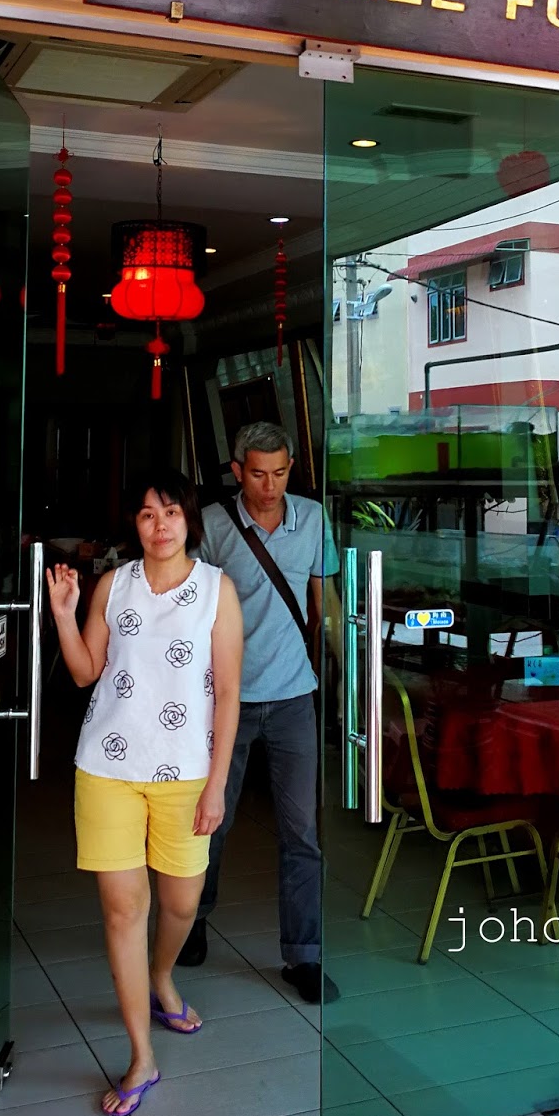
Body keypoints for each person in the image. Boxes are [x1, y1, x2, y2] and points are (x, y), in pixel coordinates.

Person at [47, 471, 243, 1116]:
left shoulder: (217, 592)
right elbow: (84, 672)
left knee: (180, 904)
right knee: (122, 912)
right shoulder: (115, 584)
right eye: (146, 515)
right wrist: (64, 614)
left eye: (170, 514)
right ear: (135, 525)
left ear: (190, 521)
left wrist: (216, 783)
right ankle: (141, 1056)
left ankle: (162, 975)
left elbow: (228, 695)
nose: (158, 526)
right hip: (105, 768)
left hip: (185, 774)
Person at [179, 421, 338, 1004]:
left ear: (290, 469)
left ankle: (304, 955)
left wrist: (349, 670)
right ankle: (191, 921)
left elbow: (324, 604)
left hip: (294, 696)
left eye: (279, 473)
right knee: (209, 822)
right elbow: (189, 603)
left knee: (302, 833)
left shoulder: (313, 519)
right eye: (257, 474)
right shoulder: (216, 526)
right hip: (226, 702)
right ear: (237, 470)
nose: (269, 487)